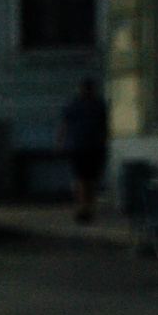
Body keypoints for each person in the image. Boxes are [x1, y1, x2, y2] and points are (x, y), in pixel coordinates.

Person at [62, 74, 109, 225]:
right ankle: (83, 208)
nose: (87, 91)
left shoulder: (98, 106)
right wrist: (61, 142)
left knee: (90, 180)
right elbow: (64, 124)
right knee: (81, 179)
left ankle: (88, 207)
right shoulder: (75, 105)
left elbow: (104, 127)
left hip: (93, 147)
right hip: (78, 147)